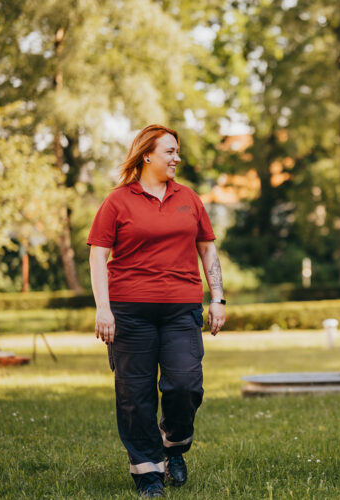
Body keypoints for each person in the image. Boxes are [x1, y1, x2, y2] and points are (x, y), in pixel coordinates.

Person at [88, 124, 226, 497]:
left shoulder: (189, 198)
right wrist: (104, 309)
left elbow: (208, 249)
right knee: (135, 394)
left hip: (181, 310)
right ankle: (148, 473)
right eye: (170, 151)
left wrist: (217, 298)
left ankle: (174, 445)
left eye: (177, 151)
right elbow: (98, 255)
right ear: (147, 155)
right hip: (129, 312)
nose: (176, 158)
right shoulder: (118, 201)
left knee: (185, 385)